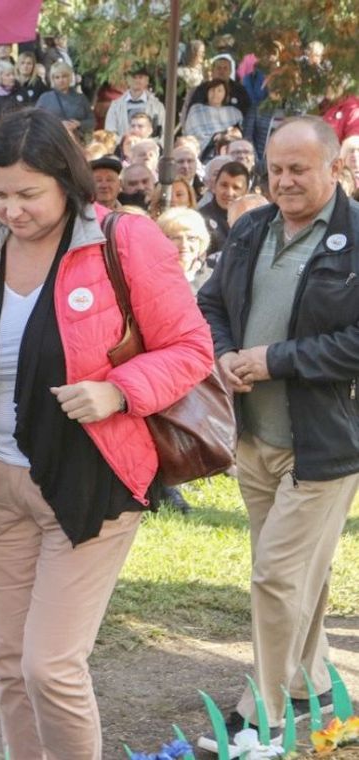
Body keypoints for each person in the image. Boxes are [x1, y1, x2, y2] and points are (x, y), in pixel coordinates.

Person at [0, 108, 213, 759]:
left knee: (49, 667)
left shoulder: (124, 241)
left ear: (68, 180)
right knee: (8, 662)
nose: (14, 209)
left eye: (29, 194)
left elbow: (191, 349)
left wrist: (118, 390)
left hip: (90, 482)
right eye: (0, 193)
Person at [196, 116, 359, 749]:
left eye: (299, 169)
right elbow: (212, 303)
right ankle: (310, 681)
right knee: (293, 575)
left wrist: (275, 359)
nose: (285, 181)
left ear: (334, 168)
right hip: (253, 436)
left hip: (324, 442)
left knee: (275, 577)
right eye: (276, 169)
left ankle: (260, 709)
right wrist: (226, 352)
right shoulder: (251, 228)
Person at [197, 160, 251, 256]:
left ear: (246, 192)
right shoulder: (200, 219)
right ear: (214, 186)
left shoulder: (254, 221)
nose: (229, 193)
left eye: (236, 188)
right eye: (224, 185)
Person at [157, 207, 212, 292]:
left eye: (191, 238)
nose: (184, 244)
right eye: (176, 238)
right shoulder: (153, 279)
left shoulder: (213, 279)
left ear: (201, 241)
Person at [185, 80, 244, 159]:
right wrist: (213, 138)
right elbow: (193, 133)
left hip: (228, 149)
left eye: (219, 90)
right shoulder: (196, 109)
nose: (215, 93)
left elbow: (238, 133)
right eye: (212, 90)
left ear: (225, 94)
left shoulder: (234, 112)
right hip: (205, 151)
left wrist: (224, 138)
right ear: (207, 92)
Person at [37, 61, 95, 140]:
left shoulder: (80, 98)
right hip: (51, 141)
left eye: (64, 76)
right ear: (52, 79)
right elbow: (36, 121)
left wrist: (79, 124)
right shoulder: (45, 98)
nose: (61, 80)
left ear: (70, 77)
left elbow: (92, 122)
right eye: (57, 77)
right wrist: (57, 125)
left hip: (76, 142)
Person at [104, 67, 166, 138]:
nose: (137, 80)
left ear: (147, 81)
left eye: (140, 77)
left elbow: (163, 133)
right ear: (127, 80)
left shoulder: (157, 106)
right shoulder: (115, 106)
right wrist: (126, 143)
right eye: (134, 77)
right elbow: (109, 133)